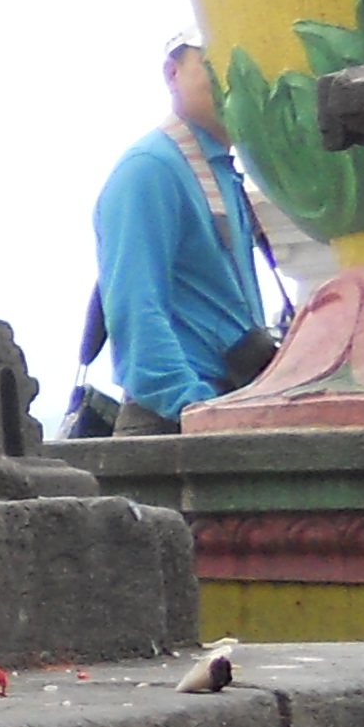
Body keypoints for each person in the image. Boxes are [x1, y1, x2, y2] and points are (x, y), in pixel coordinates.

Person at [88, 38, 281, 432]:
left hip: (224, 408)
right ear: (172, 73)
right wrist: (193, 406)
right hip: (175, 421)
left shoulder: (219, 170)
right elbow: (134, 306)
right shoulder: (150, 168)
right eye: (212, 64)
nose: (230, 78)